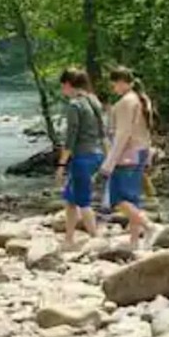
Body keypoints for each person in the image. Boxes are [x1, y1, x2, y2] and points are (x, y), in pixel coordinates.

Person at [100, 67, 156, 247]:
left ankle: (148, 226)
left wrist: (109, 162)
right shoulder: (141, 99)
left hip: (127, 154)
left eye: (113, 83)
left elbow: (122, 134)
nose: (112, 87)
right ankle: (134, 241)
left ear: (120, 82)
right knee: (133, 199)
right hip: (140, 151)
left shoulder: (125, 102)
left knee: (118, 198)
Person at [55, 67, 106, 247]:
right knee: (71, 199)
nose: (63, 91)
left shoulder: (75, 105)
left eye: (63, 87)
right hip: (97, 154)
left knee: (83, 201)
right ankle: (68, 238)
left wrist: (61, 165)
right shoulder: (94, 101)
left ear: (68, 85)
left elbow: (71, 138)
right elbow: (102, 131)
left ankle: (95, 240)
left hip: (82, 158)